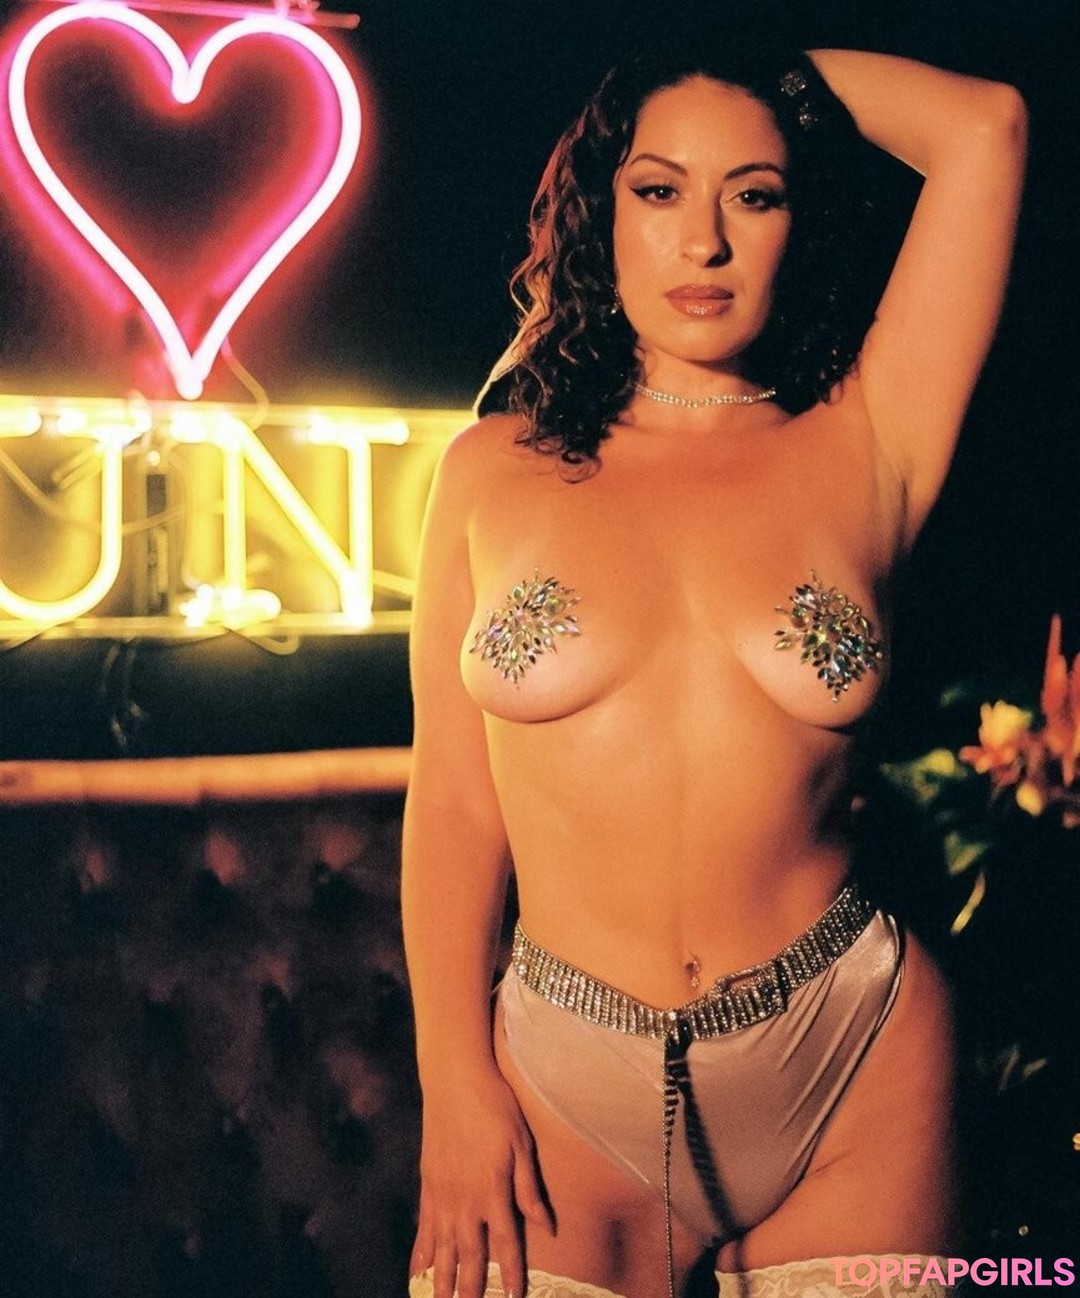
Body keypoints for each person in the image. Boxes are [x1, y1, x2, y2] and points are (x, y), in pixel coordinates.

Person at [402, 34, 1026, 1298]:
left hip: (854, 1066)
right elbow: (457, 804)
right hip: (560, 1086)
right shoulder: (489, 473)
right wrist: (454, 1082)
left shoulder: (869, 439)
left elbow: (987, 129)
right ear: (604, 211)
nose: (705, 240)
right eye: (659, 188)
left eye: (755, 193)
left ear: (799, 223)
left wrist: (752, 52)